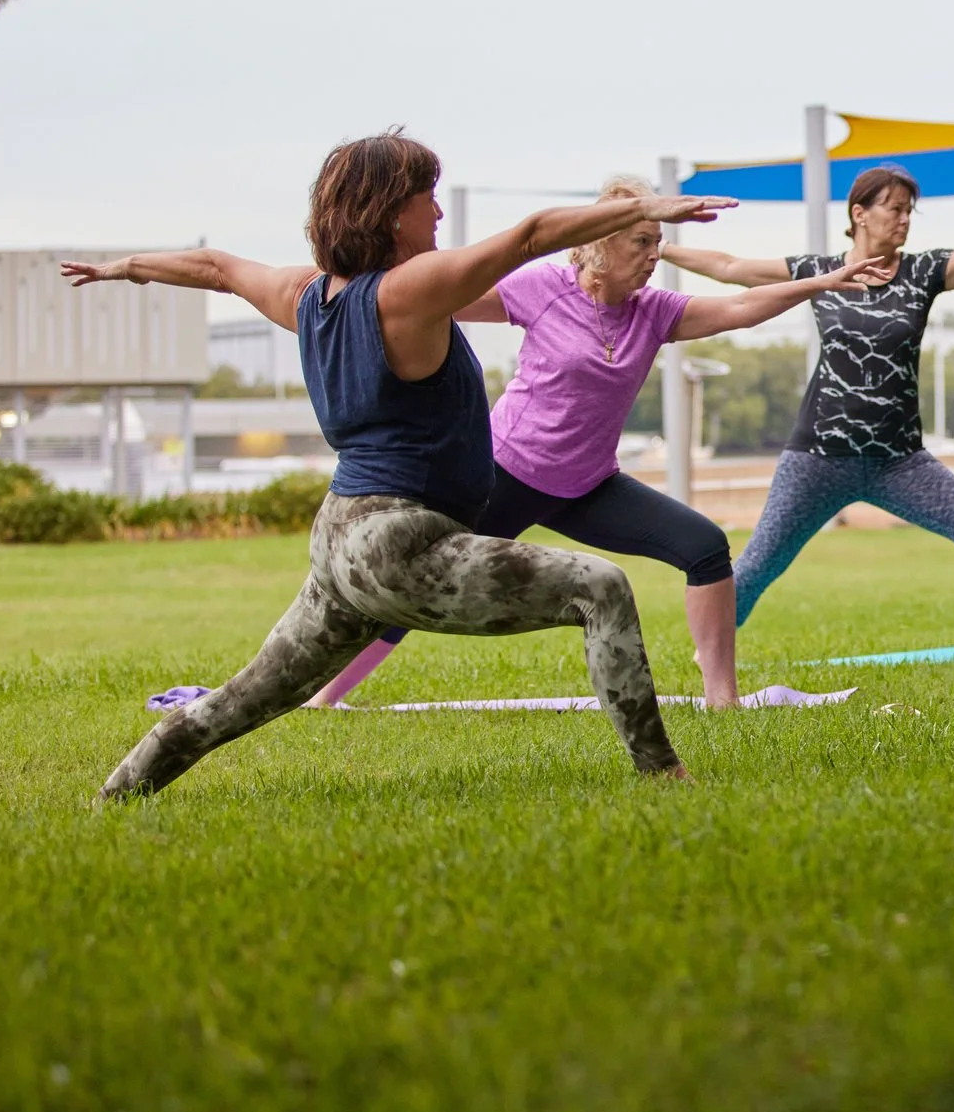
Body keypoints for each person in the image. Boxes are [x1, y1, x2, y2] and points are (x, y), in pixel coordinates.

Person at [71, 130, 739, 798]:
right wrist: (645, 209)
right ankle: (666, 777)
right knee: (602, 589)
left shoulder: (308, 296)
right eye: (430, 199)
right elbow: (533, 234)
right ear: (393, 212)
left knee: (242, 699)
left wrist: (129, 265)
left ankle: (120, 789)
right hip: (401, 539)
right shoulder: (409, 289)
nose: (440, 215)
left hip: (338, 538)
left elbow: (218, 267)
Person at [288, 175, 898, 712]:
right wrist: (355, 287)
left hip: (587, 484)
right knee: (412, 585)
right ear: (600, 244)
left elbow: (739, 307)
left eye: (658, 243)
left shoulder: (653, 312)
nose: (653, 255)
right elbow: (431, 297)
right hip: (504, 475)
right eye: (642, 241)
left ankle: (722, 698)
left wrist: (828, 281)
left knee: (705, 547)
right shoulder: (543, 288)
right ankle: (325, 697)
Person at [662, 164, 954, 663]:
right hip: (818, 456)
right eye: (894, 209)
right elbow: (731, 267)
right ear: (859, 213)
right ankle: (707, 659)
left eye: (910, 211)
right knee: (757, 566)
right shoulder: (819, 272)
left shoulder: (924, 271)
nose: (905, 220)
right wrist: (660, 247)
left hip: (899, 461)